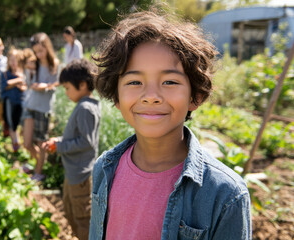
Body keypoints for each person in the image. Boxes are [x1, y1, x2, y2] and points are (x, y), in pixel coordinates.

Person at [89, 9, 252, 240]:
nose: (151, 96)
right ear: (116, 97)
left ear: (195, 97)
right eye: (135, 81)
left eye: (170, 81)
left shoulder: (226, 194)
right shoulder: (104, 169)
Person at [43, 59, 100, 240]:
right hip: (73, 172)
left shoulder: (85, 108)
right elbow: (77, 137)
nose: (66, 93)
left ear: (82, 85)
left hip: (81, 175)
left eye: (67, 88)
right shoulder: (84, 105)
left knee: (83, 220)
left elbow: (86, 142)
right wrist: (58, 141)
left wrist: (59, 147)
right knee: (70, 211)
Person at [23, 32, 60, 182]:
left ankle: (38, 172)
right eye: (36, 51)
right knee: (26, 143)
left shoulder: (54, 64)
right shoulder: (34, 63)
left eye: (41, 50)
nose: (38, 54)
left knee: (40, 141)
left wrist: (45, 86)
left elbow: (57, 84)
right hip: (31, 105)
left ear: (47, 47)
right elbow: (28, 82)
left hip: (44, 108)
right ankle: (39, 163)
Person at [1, 47, 26, 152]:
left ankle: (21, 142)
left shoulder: (23, 72)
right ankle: (15, 144)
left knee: (21, 122)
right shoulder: (6, 74)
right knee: (12, 124)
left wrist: (18, 83)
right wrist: (19, 80)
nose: (13, 62)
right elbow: (6, 85)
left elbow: (25, 86)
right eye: (11, 60)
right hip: (10, 101)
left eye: (15, 59)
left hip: (22, 101)